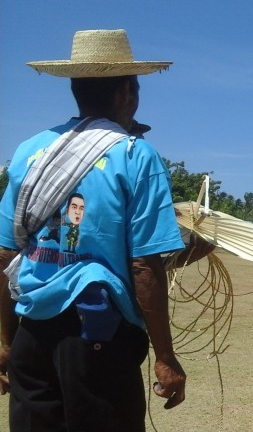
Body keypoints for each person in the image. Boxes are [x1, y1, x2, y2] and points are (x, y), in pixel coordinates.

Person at [0, 29, 189, 431]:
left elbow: (3, 255)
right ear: (126, 92)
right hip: (99, 334)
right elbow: (142, 265)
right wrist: (165, 356)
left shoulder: (29, 151)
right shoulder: (136, 155)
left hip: (32, 333)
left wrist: (6, 342)